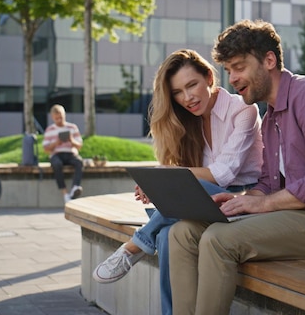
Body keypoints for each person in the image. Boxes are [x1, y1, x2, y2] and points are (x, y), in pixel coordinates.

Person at [168, 19, 305, 315]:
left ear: (269, 60)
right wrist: (242, 201)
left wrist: (265, 204)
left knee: (219, 240)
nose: (233, 79)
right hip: (295, 214)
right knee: (183, 232)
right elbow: (268, 182)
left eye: (239, 67)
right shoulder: (271, 118)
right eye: (228, 70)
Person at [92, 49, 263, 315]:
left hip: (243, 200)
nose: (188, 98)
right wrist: (162, 183)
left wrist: (166, 176)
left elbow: (223, 174)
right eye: (177, 92)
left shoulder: (243, 110)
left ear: (208, 77)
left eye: (192, 85)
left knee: (179, 205)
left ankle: (136, 245)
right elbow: (195, 174)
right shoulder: (188, 120)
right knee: (167, 236)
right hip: (206, 200)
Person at [42, 104, 84, 203]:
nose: (59, 120)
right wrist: (56, 143)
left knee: (79, 162)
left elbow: (79, 146)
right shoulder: (49, 130)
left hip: (70, 153)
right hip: (56, 154)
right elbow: (45, 149)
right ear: (53, 117)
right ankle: (65, 193)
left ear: (64, 115)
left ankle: (75, 187)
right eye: (57, 118)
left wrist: (71, 140)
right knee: (56, 164)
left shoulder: (72, 127)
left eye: (61, 117)